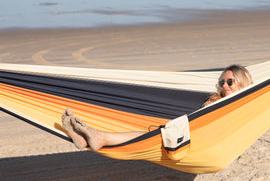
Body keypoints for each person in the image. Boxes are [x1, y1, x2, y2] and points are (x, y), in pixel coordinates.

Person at [62, 64, 253, 151]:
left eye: (230, 81)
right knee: (151, 134)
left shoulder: (248, 104)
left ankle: (99, 137)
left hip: (202, 145)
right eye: (222, 83)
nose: (225, 86)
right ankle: (87, 138)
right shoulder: (213, 101)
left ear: (243, 83)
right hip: (188, 137)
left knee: (155, 136)